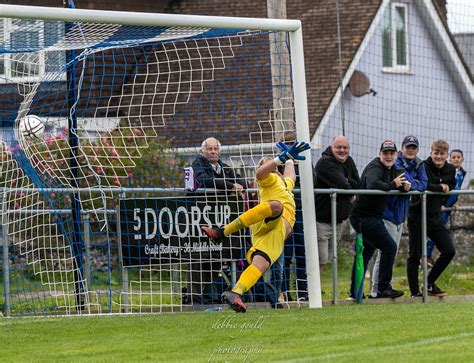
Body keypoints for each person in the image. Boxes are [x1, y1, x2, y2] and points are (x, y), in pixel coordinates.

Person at [201, 140, 311, 312]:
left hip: (276, 232)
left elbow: (291, 176)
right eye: (267, 163)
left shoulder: (285, 184)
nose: (269, 165)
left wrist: (289, 159)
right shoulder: (270, 180)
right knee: (277, 206)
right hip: (269, 220)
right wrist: (277, 160)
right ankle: (222, 231)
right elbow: (260, 173)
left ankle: (236, 292)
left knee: (262, 263)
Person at [187, 137, 247, 304]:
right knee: (199, 257)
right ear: (202, 151)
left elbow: (242, 181)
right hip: (199, 219)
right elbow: (205, 181)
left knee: (217, 257)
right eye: (209, 149)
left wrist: (238, 185)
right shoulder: (197, 165)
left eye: (215, 149)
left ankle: (211, 296)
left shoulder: (225, 168)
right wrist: (230, 186)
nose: (212, 152)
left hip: (220, 220)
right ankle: (195, 297)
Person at [369, 135, 428, 298]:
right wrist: (410, 184)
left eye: (413, 147)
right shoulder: (396, 162)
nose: (410, 150)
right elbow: (405, 180)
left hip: (400, 215)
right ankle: (377, 289)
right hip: (387, 213)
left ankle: (381, 287)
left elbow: (423, 184)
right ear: (402, 149)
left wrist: (412, 185)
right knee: (385, 252)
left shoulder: (419, 163)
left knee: (389, 253)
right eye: (408, 147)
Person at [349, 140, 406, 299]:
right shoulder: (375, 167)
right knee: (389, 247)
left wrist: (405, 186)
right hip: (363, 217)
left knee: (366, 253)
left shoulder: (393, 168)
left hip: (373, 216)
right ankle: (383, 288)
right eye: (385, 153)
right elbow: (373, 184)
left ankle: (355, 292)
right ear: (379, 154)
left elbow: (402, 180)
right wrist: (394, 184)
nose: (388, 156)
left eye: (391, 153)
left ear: (396, 155)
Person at [407, 140, 456, 297]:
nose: (439, 157)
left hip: (434, 216)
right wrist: (440, 186)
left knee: (449, 250)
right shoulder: (423, 166)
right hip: (417, 214)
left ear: (447, 155)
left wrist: (441, 185)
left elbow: (451, 184)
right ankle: (415, 293)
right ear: (431, 152)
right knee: (415, 255)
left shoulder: (450, 168)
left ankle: (429, 283)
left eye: (442, 154)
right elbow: (423, 184)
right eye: (436, 153)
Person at [313, 135, 360, 273]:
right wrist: (348, 188)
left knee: (329, 259)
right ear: (331, 147)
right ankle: (310, 293)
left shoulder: (349, 161)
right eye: (338, 147)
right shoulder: (324, 163)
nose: (342, 150)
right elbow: (344, 186)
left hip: (338, 221)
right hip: (321, 221)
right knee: (320, 259)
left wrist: (349, 186)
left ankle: (316, 292)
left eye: (345, 147)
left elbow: (357, 184)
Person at [426, 149, 466, 266]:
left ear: (462, 159)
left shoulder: (462, 173)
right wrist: (442, 204)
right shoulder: (448, 171)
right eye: (453, 157)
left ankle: (429, 257)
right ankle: (426, 256)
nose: (456, 159)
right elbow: (445, 189)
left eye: (458, 157)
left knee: (440, 228)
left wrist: (454, 202)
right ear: (449, 158)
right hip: (441, 206)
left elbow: (456, 191)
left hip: (449, 206)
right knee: (434, 231)